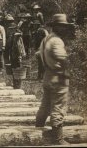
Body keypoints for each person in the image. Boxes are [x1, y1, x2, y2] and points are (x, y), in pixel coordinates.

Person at [35, 14, 75, 145]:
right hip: (58, 76)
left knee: (45, 106)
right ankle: (58, 139)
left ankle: (36, 132)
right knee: (58, 107)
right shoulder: (57, 41)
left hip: (48, 75)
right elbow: (62, 58)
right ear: (56, 27)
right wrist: (67, 71)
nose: (64, 29)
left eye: (65, 26)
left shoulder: (46, 39)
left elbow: (38, 55)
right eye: (62, 26)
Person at [5, 15, 26, 89]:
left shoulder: (16, 28)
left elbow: (20, 35)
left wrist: (16, 35)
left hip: (17, 50)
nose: (9, 23)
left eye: (10, 21)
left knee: (18, 66)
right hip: (11, 50)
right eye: (8, 22)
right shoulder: (7, 29)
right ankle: (15, 83)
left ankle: (18, 84)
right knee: (13, 66)